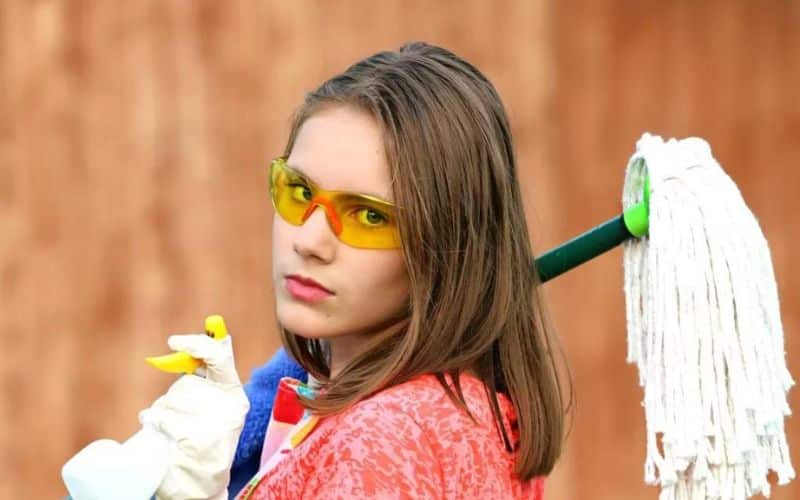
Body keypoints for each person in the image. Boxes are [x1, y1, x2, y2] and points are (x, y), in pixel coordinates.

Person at [63, 41, 569, 500]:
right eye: (300, 191)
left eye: (369, 216)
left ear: (447, 246)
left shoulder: (381, 445)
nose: (308, 240)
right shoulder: (467, 415)